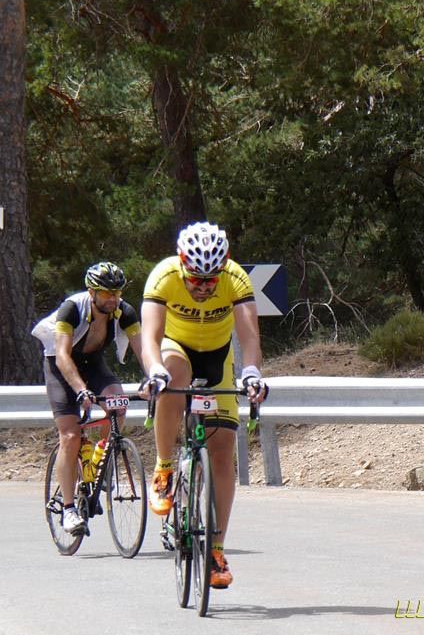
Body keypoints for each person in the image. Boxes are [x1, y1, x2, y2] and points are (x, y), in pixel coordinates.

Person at [140, 222, 268, 589]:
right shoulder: (163, 276)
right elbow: (149, 337)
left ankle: (215, 550)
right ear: (182, 264)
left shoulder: (235, 279)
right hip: (176, 348)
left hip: (218, 357)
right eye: (196, 279)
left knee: (223, 452)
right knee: (172, 374)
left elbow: (249, 337)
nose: (203, 287)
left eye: (211, 280)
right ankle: (165, 467)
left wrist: (252, 373)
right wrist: (155, 371)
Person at [31, 262, 149, 535]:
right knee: (70, 436)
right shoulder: (71, 308)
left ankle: (99, 463)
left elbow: (142, 350)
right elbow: (62, 355)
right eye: (106, 293)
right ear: (91, 292)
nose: (113, 299)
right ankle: (70, 509)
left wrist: (152, 378)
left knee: (117, 404)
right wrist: (81, 390)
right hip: (61, 367)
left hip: (93, 365)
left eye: (117, 293)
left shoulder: (124, 312)